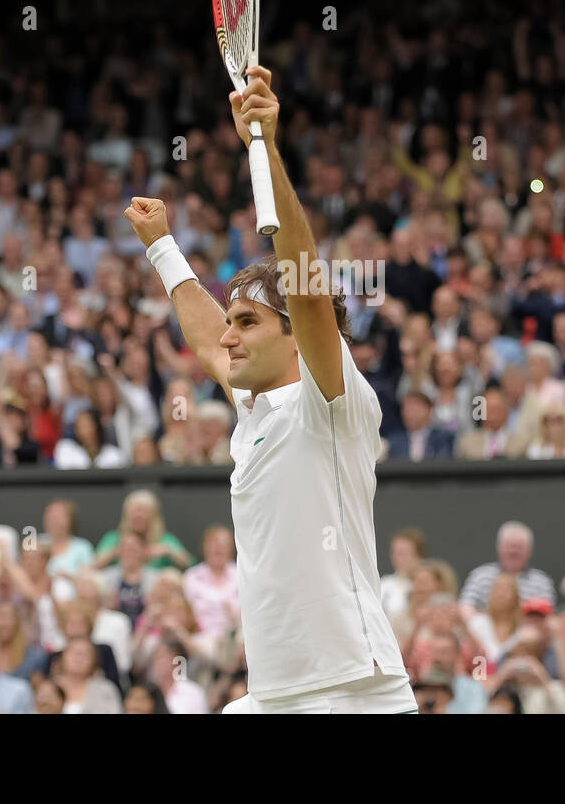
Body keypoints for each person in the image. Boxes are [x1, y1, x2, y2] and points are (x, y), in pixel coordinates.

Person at [125, 66, 412, 714]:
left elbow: (306, 284)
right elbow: (205, 338)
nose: (228, 338)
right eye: (233, 322)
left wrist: (265, 146)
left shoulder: (330, 400)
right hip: (273, 695)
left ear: (295, 336)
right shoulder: (253, 407)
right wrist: (164, 249)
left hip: (353, 690)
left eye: (247, 322)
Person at [458, 521, 556, 619]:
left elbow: (548, 616)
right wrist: (482, 628)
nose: (513, 551)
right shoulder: (480, 576)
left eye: (519, 546)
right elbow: (465, 606)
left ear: (529, 550)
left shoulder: (541, 581)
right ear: (499, 547)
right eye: (509, 546)